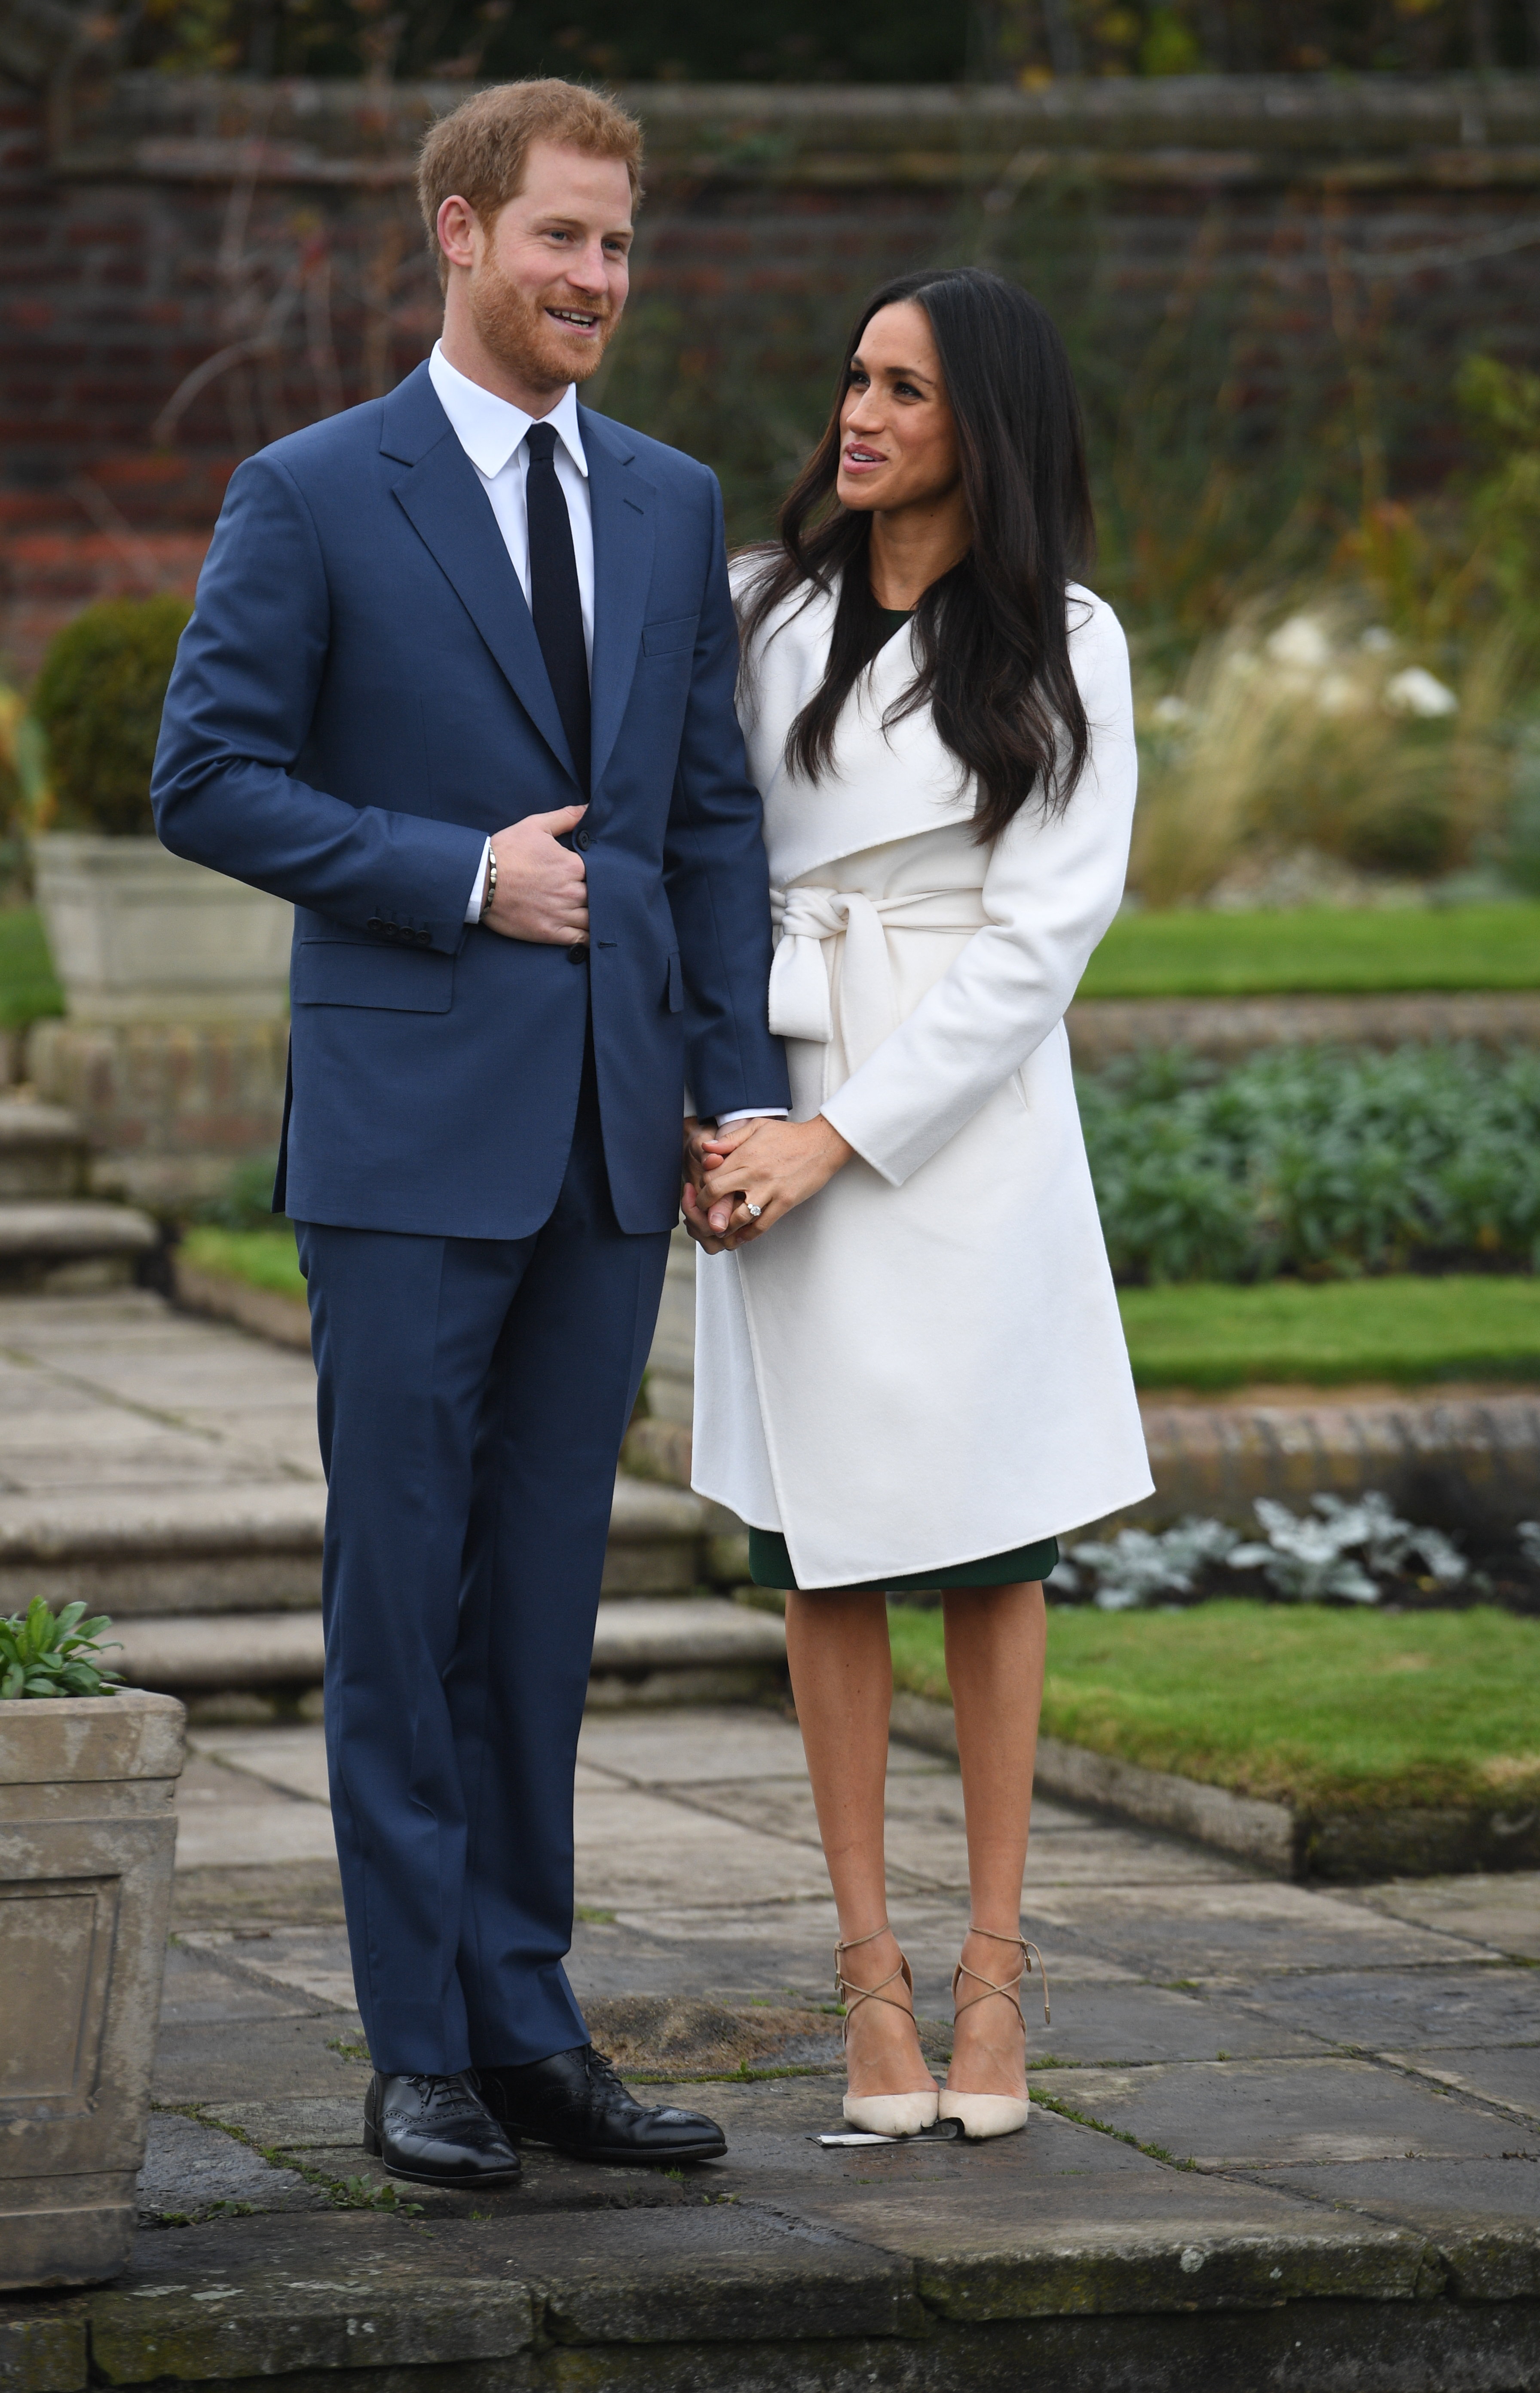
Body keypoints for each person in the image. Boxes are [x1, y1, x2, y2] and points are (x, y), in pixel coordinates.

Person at [152, 80, 790, 2189]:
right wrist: (454, 873)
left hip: (611, 1146)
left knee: (535, 1617)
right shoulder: (314, 490)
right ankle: (416, 2043)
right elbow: (210, 776)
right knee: (400, 1603)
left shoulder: (675, 501)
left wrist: (735, 1088)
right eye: (562, 242)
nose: (597, 280)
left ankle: (530, 2032)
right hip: (410, 1147)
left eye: (620, 247)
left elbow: (705, 820)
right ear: (457, 231)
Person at [683, 267, 1153, 2140]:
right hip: (772, 1081)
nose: (857, 416)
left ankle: (997, 1971)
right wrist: (722, 1116)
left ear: (990, 428)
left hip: (960, 1123)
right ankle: (868, 1975)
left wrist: (846, 1137)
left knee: (994, 1539)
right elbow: (693, 853)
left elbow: (1044, 936)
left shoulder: (1066, 636)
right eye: (853, 379)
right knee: (829, 1549)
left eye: (905, 390)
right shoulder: (757, 611)